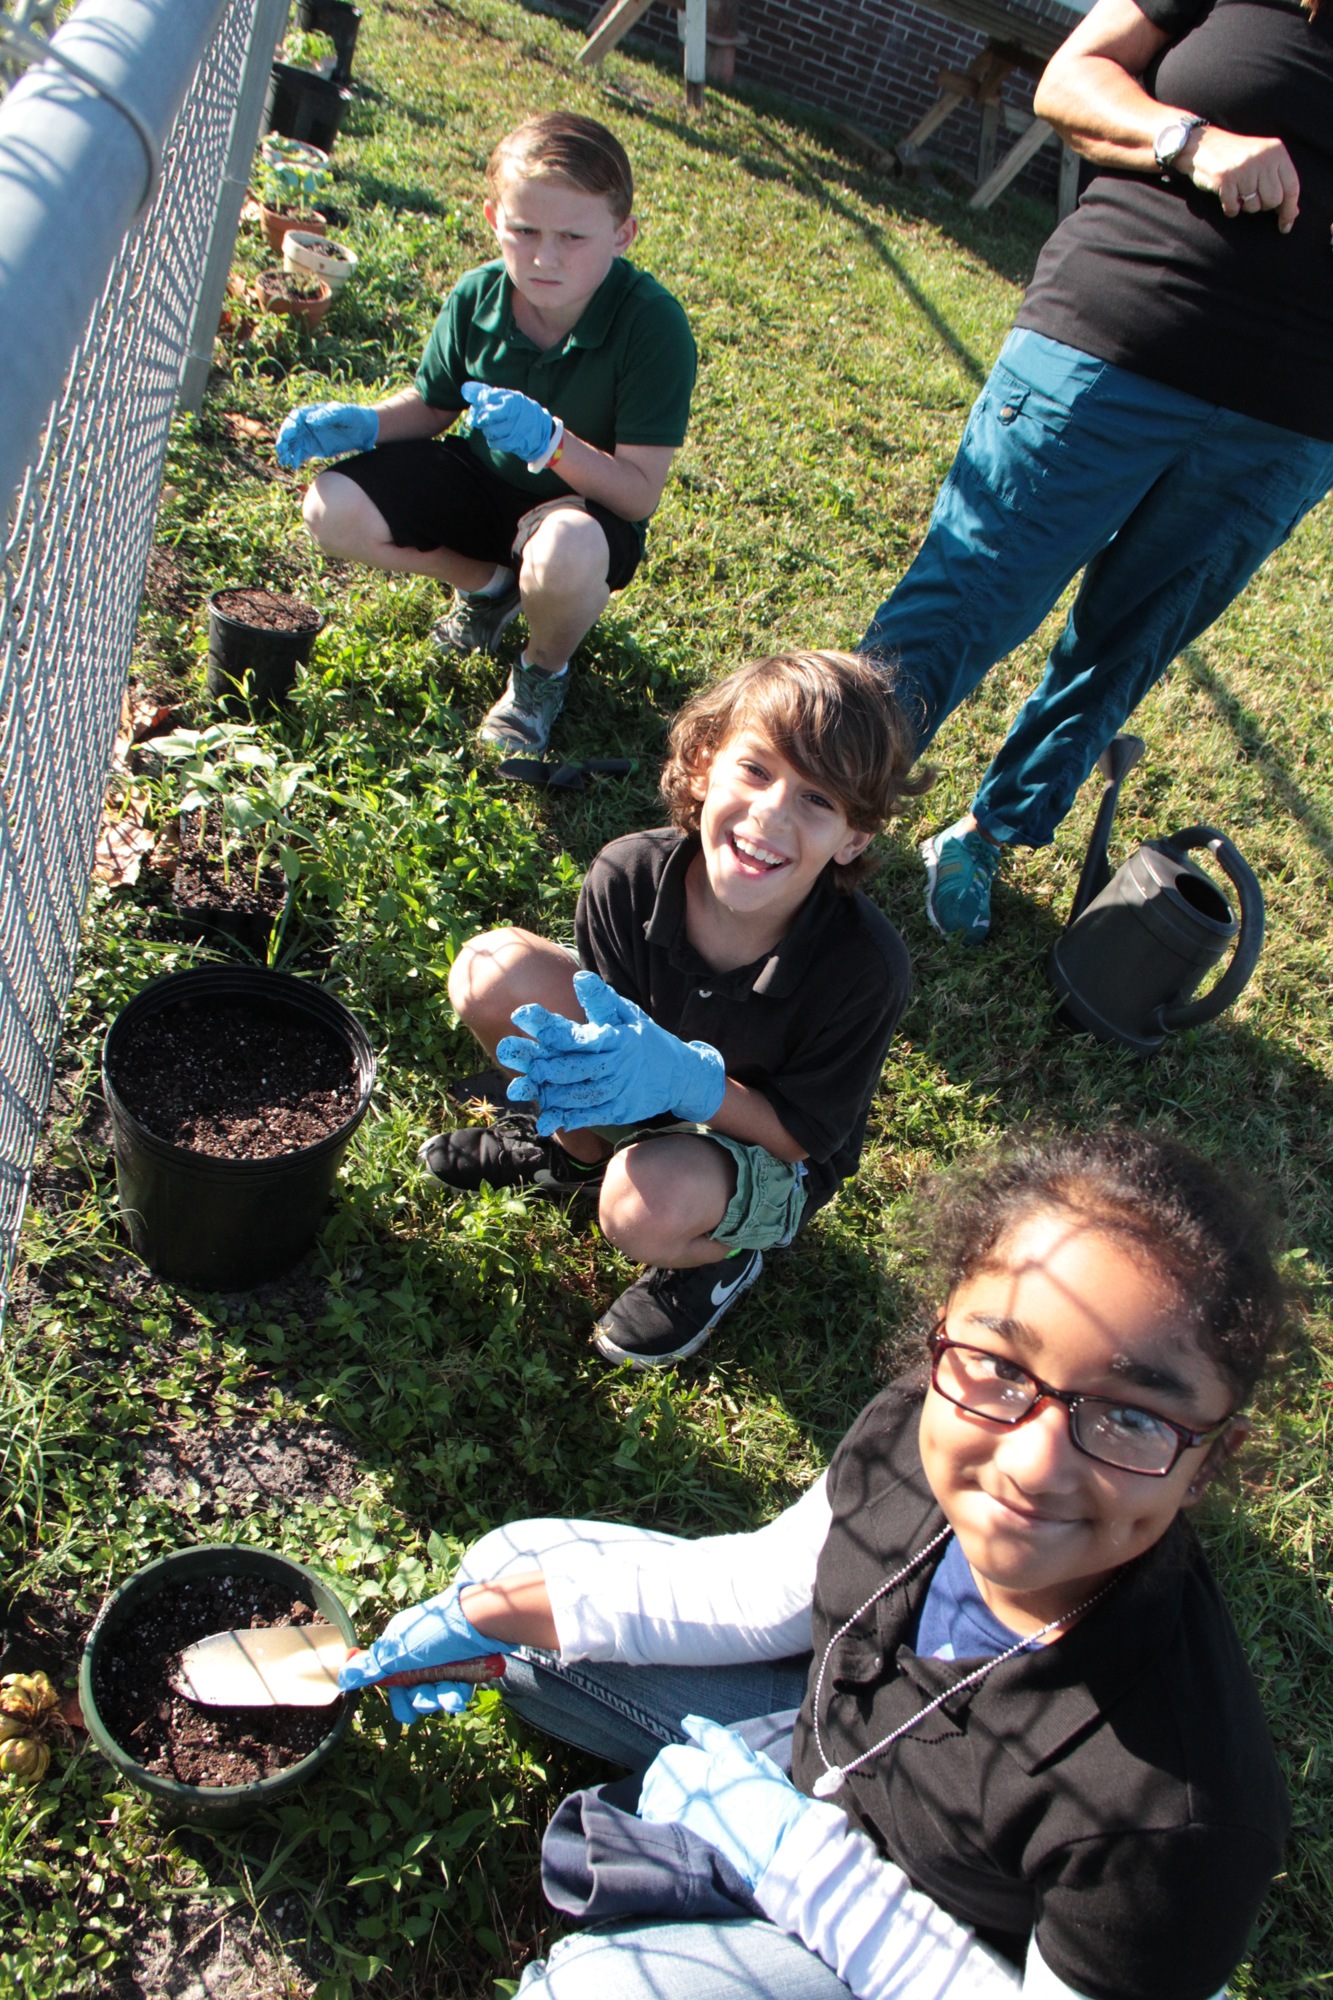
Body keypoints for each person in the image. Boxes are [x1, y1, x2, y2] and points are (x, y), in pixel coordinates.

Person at [340, 1127, 1292, 2000]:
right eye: (999, 1365)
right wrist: (492, 1614)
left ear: (1214, 1457)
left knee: (599, 1990)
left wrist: (795, 1863)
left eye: (1129, 1415)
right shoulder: (915, 1433)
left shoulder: (1176, 1817)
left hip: (945, 1950)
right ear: (942, 1338)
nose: (1031, 1461)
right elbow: (757, 1591)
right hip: (822, 1755)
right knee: (517, 1567)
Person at [858, 0, 1333, 942]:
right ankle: (817, 801)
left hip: (1288, 419)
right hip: (1111, 341)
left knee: (1132, 638)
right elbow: (1069, 81)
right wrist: (1189, 141)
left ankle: (988, 831)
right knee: (969, 591)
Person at [418, 650, 926, 1367]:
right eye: (755, 769)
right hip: (639, 1088)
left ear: (855, 837)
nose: (773, 813)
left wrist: (691, 1083)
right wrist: (617, 1082)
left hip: (767, 1145)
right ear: (701, 765)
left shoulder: (864, 969)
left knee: (640, 1205)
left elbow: (801, 1138)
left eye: (819, 799)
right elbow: (595, 1036)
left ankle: (718, 1257)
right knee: (491, 972)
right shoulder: (626, 875)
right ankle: (571, 1154)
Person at [273, 113, 697, 754]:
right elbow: (434, 405)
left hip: (585, 512)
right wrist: (365, 421)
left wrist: (553, 445)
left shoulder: (654, 328)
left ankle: (541, 674)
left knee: (569, 551)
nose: (544, 257)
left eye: (573, 236)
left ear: (623, 234)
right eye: (524, 230)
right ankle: (490, 588)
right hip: (482, 483)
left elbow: (638, 495)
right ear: (494, 217)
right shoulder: (478, 295)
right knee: (331, 508)